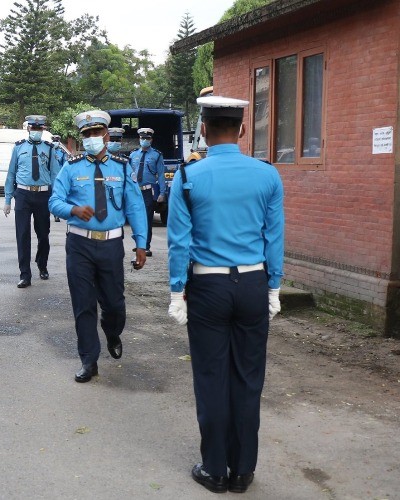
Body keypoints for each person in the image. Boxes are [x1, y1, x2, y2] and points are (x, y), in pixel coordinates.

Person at [166, 96, 284, 494]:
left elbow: (179, 244)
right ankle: (243, 471)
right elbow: (274, 237)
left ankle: (215, 469)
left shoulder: (187, 177)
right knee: (248, 380)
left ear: (202, 130)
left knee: (212, 378)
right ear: (243, 130)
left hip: (208, 286)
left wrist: (176, 292)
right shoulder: (267, 175)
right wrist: (275, 286)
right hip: (252, 283)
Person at [49, 110, 148, 383]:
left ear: (106, 134)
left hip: (111, 244)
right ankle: (88, 360)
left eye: (96, 133)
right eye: (87, 134)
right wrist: (72, 209)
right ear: (82, 138)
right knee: (83, 305)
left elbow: (136, 206)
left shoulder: (122, 166)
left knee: (114, 304)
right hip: (79, 244)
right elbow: (54, 202)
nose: (92, 138)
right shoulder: (71, 167)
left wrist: (142, 244)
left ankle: (112, 332)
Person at [3, 114, 60, 288]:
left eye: (39, 128)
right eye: (33, 128)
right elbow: (11, 173)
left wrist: (56, 199)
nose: (36, 131)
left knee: (43, 234)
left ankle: (42, 264)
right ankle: (25, 274)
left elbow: (55, 175)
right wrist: (7, 199)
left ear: (42, 130)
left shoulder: (49, 148)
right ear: (28, 128)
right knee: (22, 235)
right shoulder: (19, 148)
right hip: (23, 194)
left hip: (43, 194)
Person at [128, 127, 165, 256]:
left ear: (151, 140)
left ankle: (146, 246)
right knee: (135, 219)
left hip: (148, 192)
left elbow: (161, 175)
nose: (145, 140)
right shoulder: (133, 155)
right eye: (143, 138)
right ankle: (138, 244)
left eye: (147, 138)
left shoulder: (156, 155)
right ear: (139, 139)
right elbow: (129, 174)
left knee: (147, 219)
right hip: (134, 191)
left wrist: (162, 193)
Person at [50, 134, 68, 222]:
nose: (55, 143)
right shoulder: (48, 150)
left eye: (56, 141)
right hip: (49, 178)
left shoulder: (62, 152)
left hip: (59, 177)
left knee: (57, 195)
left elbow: (65, 165)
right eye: (54, 141)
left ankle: (56, 215)